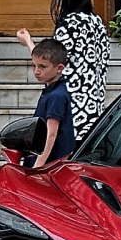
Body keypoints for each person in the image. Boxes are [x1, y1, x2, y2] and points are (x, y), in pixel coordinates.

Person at [15, 0, 111, 141]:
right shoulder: (97, 21)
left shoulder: (70, 22)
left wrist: (28, 41)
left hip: (71, 109)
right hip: (94, 108)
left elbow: (49, 58)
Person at [28, 38, 75, 168]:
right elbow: (40, 57)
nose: (36, 71)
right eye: (34, 65)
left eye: (42, 67)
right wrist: (28, 41)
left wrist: (38, 166)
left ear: (59, 68)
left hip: (50, 166)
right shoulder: (53, 89)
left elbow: (51, 133)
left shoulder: (56, 96)